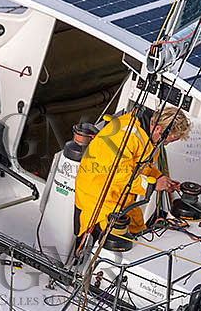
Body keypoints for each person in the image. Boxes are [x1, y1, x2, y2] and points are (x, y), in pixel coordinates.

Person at [74, 105, 192, 245]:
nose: (165, 144)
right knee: (106, 243)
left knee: (138, 233)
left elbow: (140, 167)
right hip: (97, 200)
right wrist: (153, 185)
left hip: (120, 198)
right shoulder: (125, 135)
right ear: (159, 129)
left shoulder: (147, 137)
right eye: (168, 140)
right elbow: (119, 175)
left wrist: (159, 177)